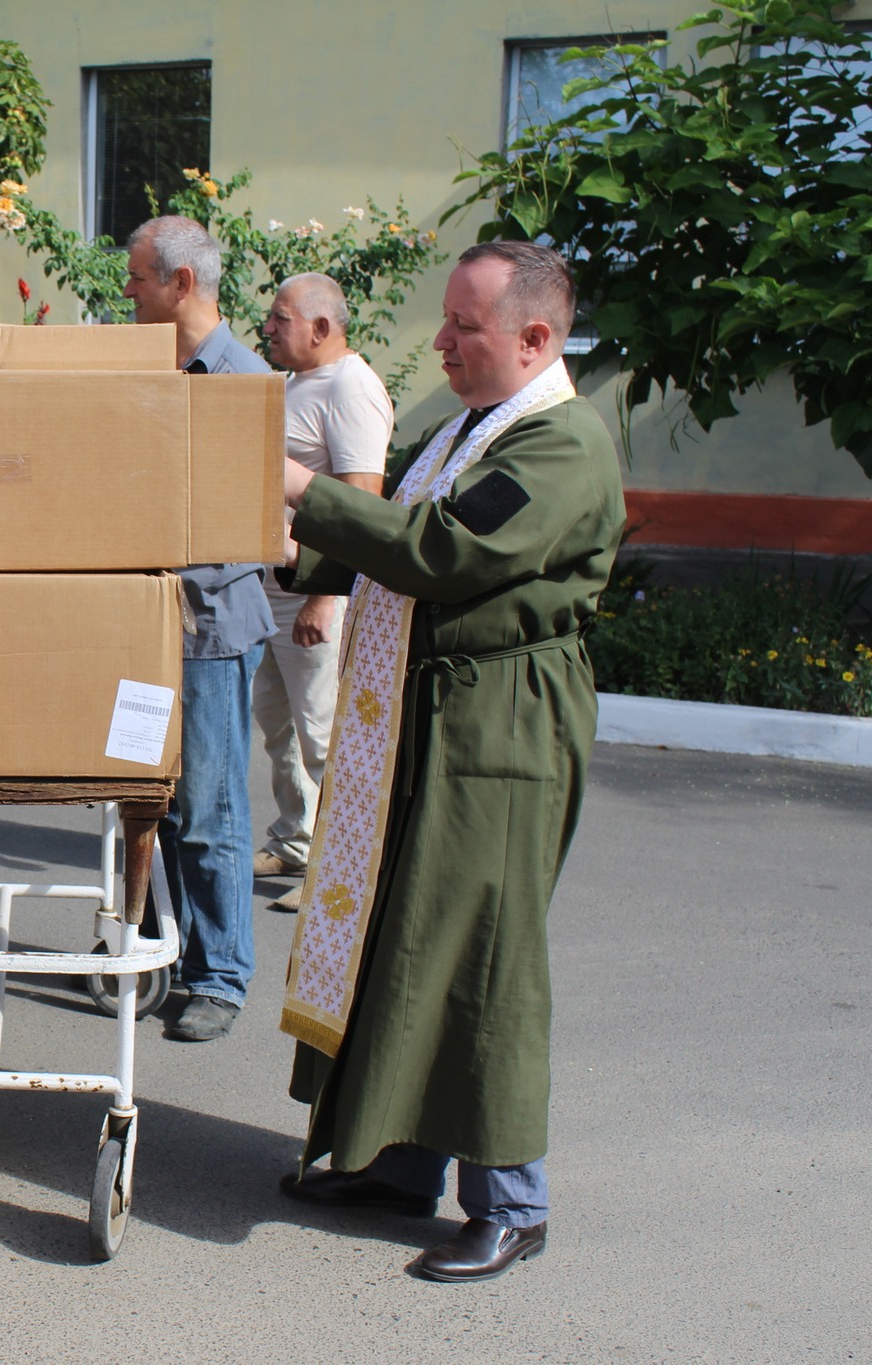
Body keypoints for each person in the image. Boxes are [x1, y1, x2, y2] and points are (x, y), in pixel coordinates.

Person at [275, 241, 625, 1283]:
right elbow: (394, 527)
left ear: (533, 339)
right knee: (405, 934)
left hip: (499, 728)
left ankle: (511, 1202)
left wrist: (296, 487)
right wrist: (272, 539)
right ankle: (396, 1166)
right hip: (427, 714)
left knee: (479, 951)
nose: (438, 344)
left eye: (461, 328)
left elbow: (443, 554)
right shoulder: (473, 425)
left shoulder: (559, 446)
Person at [120, 215, 276, 1043]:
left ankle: (219, 973)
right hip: (152, 625)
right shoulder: (160, 368)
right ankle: (160, 949)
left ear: (181, 284)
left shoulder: (237, 379)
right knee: (151, 798)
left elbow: (239, 522)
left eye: (139, 276)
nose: (128, 290)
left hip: (208, 625)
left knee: (210, 807)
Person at [252, 274, 391, 911]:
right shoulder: (297, 383)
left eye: (281, 319)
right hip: (271, 586)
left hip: (313, 594)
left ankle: (340, 870)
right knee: (278, 726)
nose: (270, 328)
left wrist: (324, 597)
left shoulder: (352, 387)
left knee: (323, 732)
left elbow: (361, 504)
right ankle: (295, 839)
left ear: (322, 327)